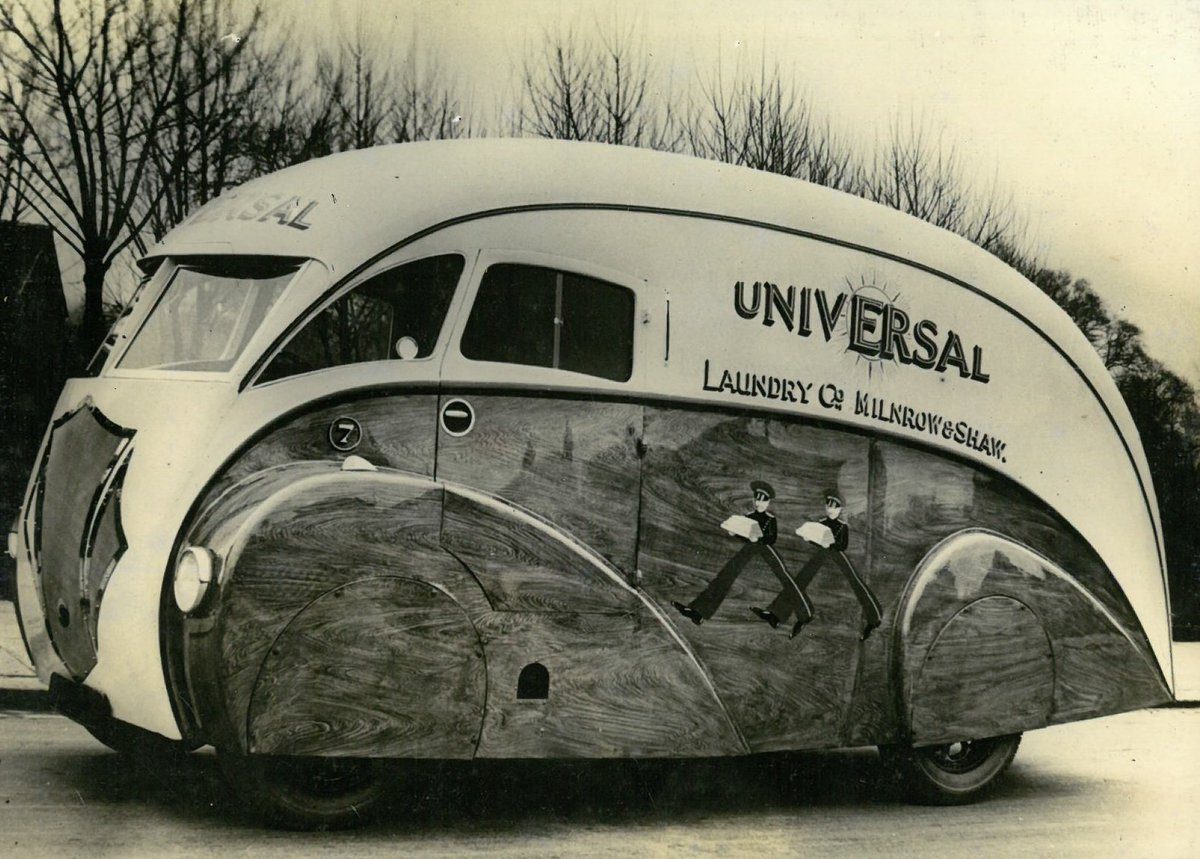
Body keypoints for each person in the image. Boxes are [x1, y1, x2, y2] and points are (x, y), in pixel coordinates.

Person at [672, 480, 810, 627]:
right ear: (753, 499)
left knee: (784, 576)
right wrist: (735, 533)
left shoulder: (770, 519)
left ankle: (805, 614)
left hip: (766, 547)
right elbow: (744, 532)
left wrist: (760, 538)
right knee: (727, 574)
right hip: (750, 547)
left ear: (768, 503)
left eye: (763, 501)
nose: (759, 503)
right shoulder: (749, 516)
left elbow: (772, 538)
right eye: (757, 499)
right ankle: (699, 611)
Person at [750, 493, 883, 641]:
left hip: (837, 554)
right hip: (822, 553)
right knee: (801, 580)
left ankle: (874, 619)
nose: (831, 510)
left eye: (835, 507)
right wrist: (809, 538)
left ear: (840, 510)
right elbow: (817, 537)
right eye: (828, 506)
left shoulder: (843, 526)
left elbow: (842, 545)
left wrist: (831, 544)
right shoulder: (821, 522)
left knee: (855, 581)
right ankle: (777, 615)